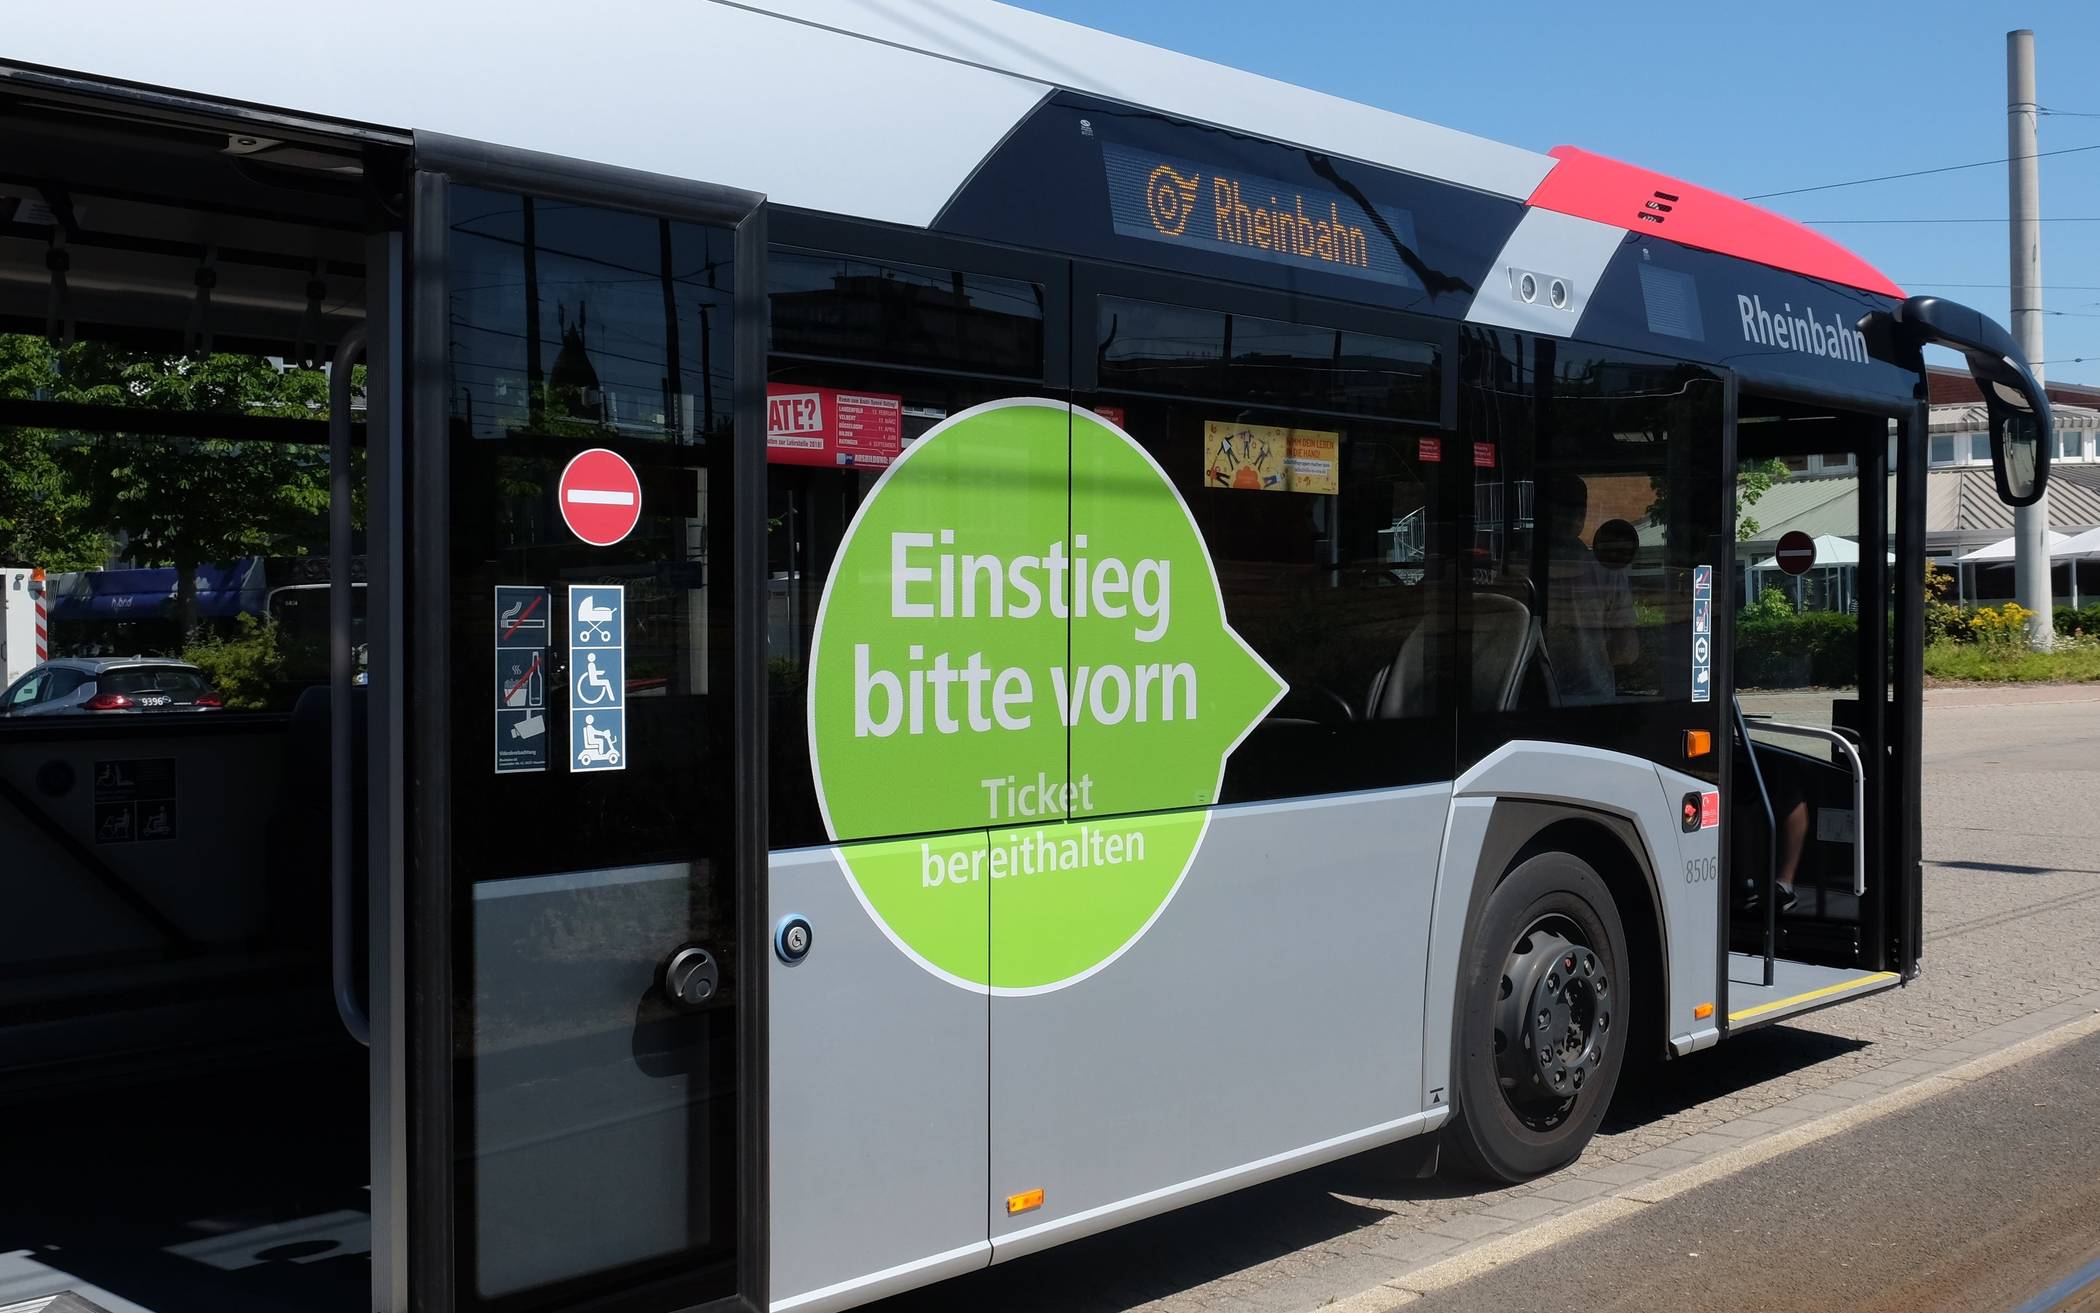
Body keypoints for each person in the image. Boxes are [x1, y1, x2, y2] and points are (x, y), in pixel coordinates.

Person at [1540, 473, 1638, 704]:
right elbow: (1626, 651)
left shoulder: (1519, 566)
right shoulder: (1607, 570)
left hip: (1529, 699)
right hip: (1592, 702)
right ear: (1583, 515)